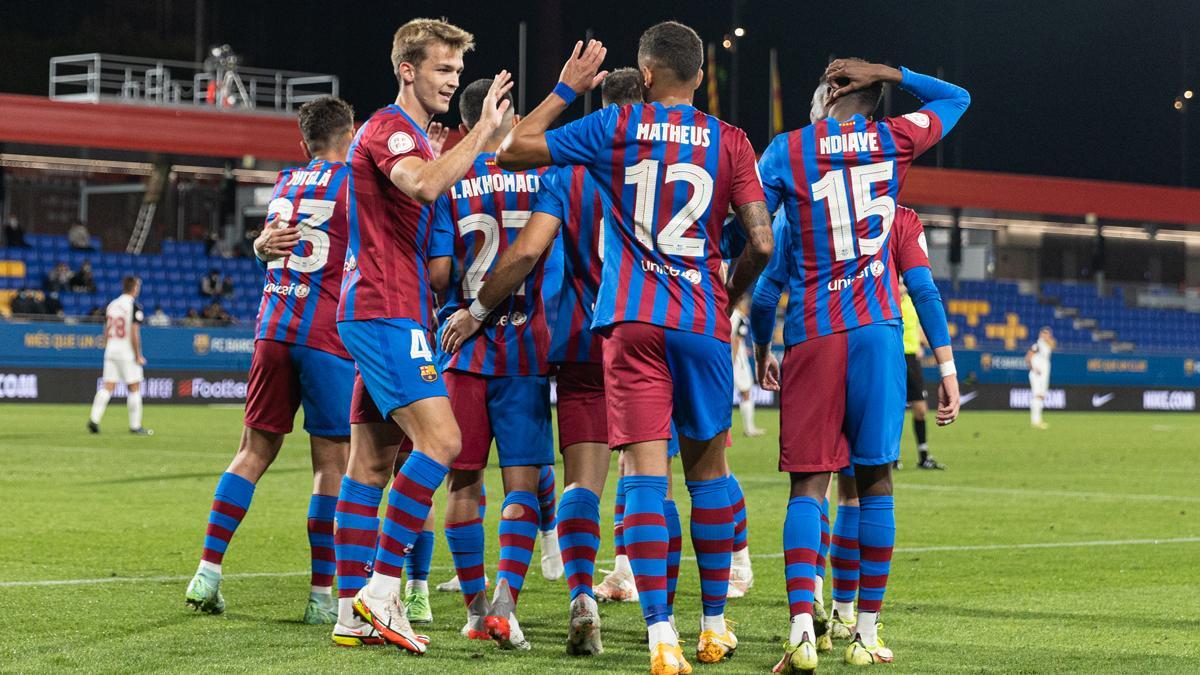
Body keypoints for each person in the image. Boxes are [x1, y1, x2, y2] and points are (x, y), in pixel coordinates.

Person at [494, 23, 774, 672]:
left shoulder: (615, 128)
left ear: (644, 75)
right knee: (708, 475)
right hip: (701, 318)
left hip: (629, 321)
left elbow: (512, 149)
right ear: (700, 77)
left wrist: (567, 86)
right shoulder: (730, 140)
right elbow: (761, 241)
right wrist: (729, 300)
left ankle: (661, 638)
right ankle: (712, 625)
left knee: (645, 477)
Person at [752, 58, 968, 670]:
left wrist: (758, 342)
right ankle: (864, 633)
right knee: (874, 486)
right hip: (876, 332)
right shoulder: (891, 140)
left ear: (823, 97)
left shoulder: (788, 150)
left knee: (808, 487)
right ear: (874, 102)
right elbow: (957, 95)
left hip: (813, 333)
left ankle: (802, 627)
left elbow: (756, 236)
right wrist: (888, 70)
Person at [441, 66, 643, 655]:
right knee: (660, 477)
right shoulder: (684, 161)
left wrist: (474, 308)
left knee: (466, 479)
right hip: (656, 331)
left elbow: (523, 250)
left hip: (569, 338)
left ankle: (486, 605)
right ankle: (662, 613)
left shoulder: (560, 172)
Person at [330, 17, 512, 656]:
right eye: (442, 69)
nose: (452, 81)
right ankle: (380, 593)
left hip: (384, 307)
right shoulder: (387, 128)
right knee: (443, 440)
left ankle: (349, 610)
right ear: (407, 70)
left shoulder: (408, 137)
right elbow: (424, 184)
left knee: (372, 462)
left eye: (458, 72)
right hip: (385, 311)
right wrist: (483, 134)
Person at [184, 96, 358, 628]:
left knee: (252, 452)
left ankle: (208, 572)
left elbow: (269, 245)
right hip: (327, 336)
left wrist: (260, 248)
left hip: (273, 328)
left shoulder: (285, 182)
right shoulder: (356, 184)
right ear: (350, 136)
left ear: (303, 144)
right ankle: (321, 597)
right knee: (331, 465)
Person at [422, 78, 553, 651]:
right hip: (526, 345)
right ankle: (505, 603)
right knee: (522, 481)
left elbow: (439, 275)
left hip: (462, 347)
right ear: (499, 114)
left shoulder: (454, 180)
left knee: (464, 482)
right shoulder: (546, 175)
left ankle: (477, 611)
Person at [88, 276, 151, 435]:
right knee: (134, 386)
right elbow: (134, 332)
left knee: (108, 386)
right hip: (126, 350)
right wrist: (138, 355)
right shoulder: (133, 306)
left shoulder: (112, 305)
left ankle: (94, 419)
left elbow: (105, 329)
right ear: (135, 288)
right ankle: (135, 426)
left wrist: (107, 345)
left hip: (111, 349)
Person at [900, 280, 946, 469]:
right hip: (892, 357)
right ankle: (891, 457)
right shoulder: (886, 301)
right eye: (899, 283)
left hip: (912, 359)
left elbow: (918, 328)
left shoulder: (911, 303)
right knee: (893, 410)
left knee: (920, 408)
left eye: (904, 283)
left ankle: (924, 456)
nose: (902, 287)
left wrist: (927, 344)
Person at [730, 296, 764, 437]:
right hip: (737, 361)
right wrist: (732, 361)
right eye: (746, 305)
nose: (747, 308)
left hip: (722, 355)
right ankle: (749, 429)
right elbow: (736, 341)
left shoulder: (727, 315)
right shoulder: (741, 318)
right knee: (746, 392)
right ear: (740, 304)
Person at [1026, 327, 1054, 429]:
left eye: (1048, 334)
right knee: (1037, 396)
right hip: (1037, 374)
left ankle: (1038, 420)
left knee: (1041, 396)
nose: (1047, 336)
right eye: (1044, 334)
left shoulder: (1046, 346)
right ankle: (1035, 421)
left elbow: (1053, 345)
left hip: (1043, 375)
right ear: (1041, 335)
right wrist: (1033, 369)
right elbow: (1028, 356)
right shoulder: (1038, 345)